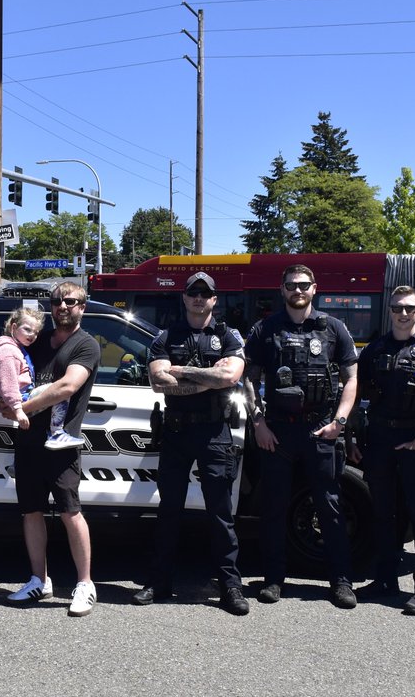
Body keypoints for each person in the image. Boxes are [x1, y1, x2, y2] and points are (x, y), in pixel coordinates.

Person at [243, 264, 360, 609]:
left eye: (304, 285)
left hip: (321, 429)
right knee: (274, 507)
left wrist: (339, 421)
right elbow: (249, 378)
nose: (298, 290)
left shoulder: (334, 328)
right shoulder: (265, 329)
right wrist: (259, 421)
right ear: (282, 289)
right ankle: (273, 580)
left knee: (330, 507)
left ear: (314, 288)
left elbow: (351, 378)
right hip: (277, 430)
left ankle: (341, 582)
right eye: (292, 285)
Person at [133, 271, 249, 616]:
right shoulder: (166, 336)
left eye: (206, 293)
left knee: (221, 514)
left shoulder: (228, 337)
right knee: (168, 511)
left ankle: (229, 586)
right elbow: (158, 381)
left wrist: (180, 371)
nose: (199, 298)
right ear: (184, 298)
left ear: (214, 299)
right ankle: (159, 581)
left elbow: (229, 376)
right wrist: (206, 378)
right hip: (177, 433)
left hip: (215, 433)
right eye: (193, 292)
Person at [350, 286, 415, 615]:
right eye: (397, 308)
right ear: (390, 311)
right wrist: (351, 437)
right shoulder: (374, 350)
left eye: (410, 308)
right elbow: (356, 393)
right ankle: (385, 580)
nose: (403, 313)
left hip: (414, 443)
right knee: (383, 513)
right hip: (379, 441)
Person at [4, 282, 102, 616]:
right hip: (28, 440)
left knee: (69, 511)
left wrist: (22, 408)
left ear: (82, 307)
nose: (62, 306)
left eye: (70, 301)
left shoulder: (85, 344)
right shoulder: (35, 340)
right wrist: (8, 402)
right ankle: (38, 580)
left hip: (61, 443)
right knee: (30, 511)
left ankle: (85, 584)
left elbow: (67, 386)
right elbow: (6, 370)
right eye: (57, 301)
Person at [0, 306, 79, 448]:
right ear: (14, 327)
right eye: (27, 329)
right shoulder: (7, 351)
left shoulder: (17, 348)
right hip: (18, 399)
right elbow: (9, 384)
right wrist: (18, 410)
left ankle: (15, 465)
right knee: (61, 389)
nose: (32, 335)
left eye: (36, 332)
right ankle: (57, 433)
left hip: (18, 399)